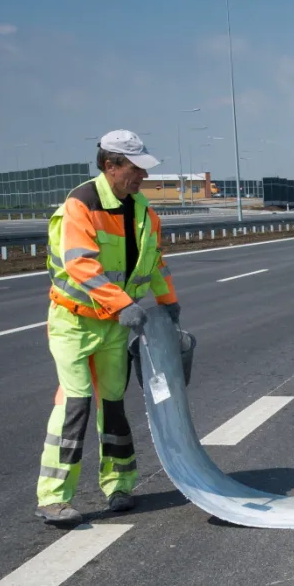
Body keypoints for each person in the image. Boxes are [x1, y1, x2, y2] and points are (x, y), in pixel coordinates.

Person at [34, 130, 179, 526]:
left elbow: (154, 262)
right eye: (135, 170)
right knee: (76, 403)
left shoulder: (143, 210)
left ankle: (119, 485)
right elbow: (80, 264)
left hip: (115, 326)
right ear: (110, 166)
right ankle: (53, 497)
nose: (141, 178)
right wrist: (123, 303)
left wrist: (169, 302)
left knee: (113, 406)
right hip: (74, 324)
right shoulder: (80, 205)